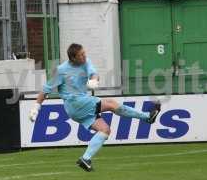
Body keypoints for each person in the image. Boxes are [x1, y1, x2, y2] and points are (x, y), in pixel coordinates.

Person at [29, 43, 161, 172]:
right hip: (75, 102)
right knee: (111, 104)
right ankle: (147, 117)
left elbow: (94, 74)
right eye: (81, 55)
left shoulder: (86, 62)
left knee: (105, 130)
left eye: (84, 53)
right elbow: (45, 90)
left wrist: (94, 81)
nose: (84, 56)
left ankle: (85, 159)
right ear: (73, 58)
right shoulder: (61, 70)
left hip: (79, 107)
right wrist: (36, 107)